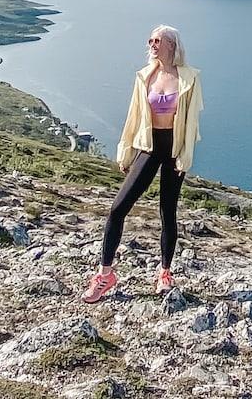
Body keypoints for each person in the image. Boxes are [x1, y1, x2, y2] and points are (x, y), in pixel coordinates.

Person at [81, 24, 204, 303]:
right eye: (150, 40)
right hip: (148, 148)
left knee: (167, 212)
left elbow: (192, 122)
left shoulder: (189, 78)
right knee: (117, 208)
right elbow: (133, 117)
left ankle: (165, 272)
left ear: (171, 45)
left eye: (157, 40)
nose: (151, 44)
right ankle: (105, 274)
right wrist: (125, 153)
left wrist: (185, 156)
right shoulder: (145, 76)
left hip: (174, 150)